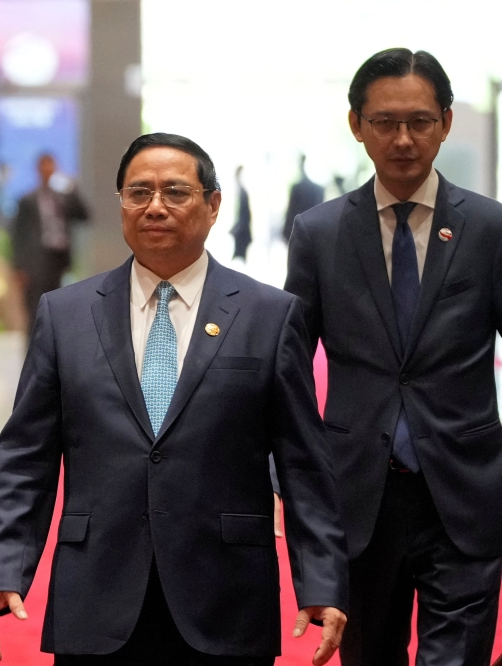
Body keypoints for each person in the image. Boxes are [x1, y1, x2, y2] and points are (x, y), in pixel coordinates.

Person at [0, 133, 348, 665]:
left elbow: (304, 465)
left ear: (213, 205)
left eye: (175, 192)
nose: (155, 207)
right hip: (96, 595)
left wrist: (323, 581)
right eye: (138, 192)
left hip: (225, 596)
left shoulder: (270, 315)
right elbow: (25, 457)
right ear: (121, 203)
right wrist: (2, 569)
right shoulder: (66, 314)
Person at [285, 48, 502, 666]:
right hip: (358, 494)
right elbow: (291, 365)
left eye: (420, 121)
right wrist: (285, 476)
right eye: (384, 122)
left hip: (466, 491)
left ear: (447, 122)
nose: (403, 139)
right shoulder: (319, 233)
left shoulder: (490, 229)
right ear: (356, 124)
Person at [10, 153, 89, 332]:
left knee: (59, 306)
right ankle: (33, 351)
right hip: (36, 260)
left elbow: (84, 216)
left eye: (51, 165)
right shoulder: (28, 199)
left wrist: (73, 190)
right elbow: (18, 234)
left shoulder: (63, 196)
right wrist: (18, 265)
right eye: (44, 166)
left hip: (59, 257)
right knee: (35, 307)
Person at [282, 154, 324, 242]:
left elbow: (291, 211)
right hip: (311, 232)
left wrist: (286, 232)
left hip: (301, 232)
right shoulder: (317, 189)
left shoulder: (297, 188)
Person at [231, 165, 252, 260]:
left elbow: (244, 215)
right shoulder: (240, 192)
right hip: (241, 230)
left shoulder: (242, 193)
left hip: (241, 231)